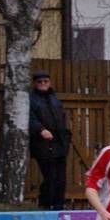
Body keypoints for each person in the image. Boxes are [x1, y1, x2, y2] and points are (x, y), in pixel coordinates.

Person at [29, 70, 71, 210]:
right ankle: (45, 204)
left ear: (49, 82)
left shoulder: (54, 98)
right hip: (43, 144)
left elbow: (62, 118)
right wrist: (41, 130)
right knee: (50, 177)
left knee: (61, 179)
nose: (43, 84)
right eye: (39, 82)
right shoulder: (31, 100)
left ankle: (59, 206)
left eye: (45, 81)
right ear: (35, 83)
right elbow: (30, 119)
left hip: (59, 143)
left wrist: (66, 136)